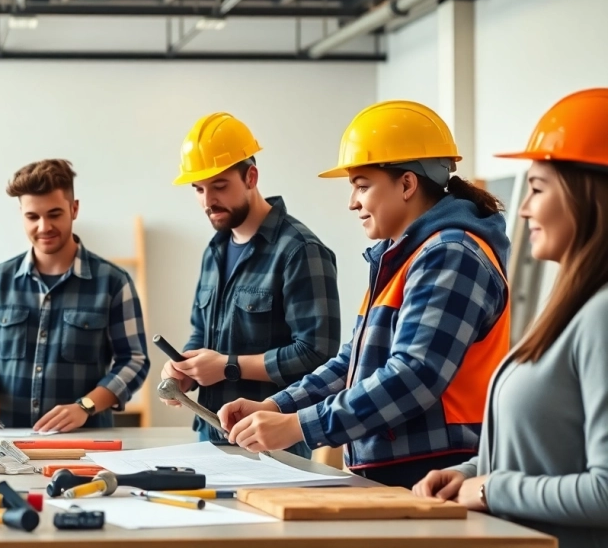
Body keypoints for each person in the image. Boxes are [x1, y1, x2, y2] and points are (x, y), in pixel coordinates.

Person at [219, 100, 512, 489]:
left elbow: (412, 377)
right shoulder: (403, 257)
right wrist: (276, 406)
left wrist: (299, 427)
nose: (352, 202)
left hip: (435, 472)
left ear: (407, 184)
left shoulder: (451, 255)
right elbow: (353, 363)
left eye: (362, 185)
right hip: (400, 469)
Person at [414, 88, 608, 548]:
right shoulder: (574, 306)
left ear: (589, 197)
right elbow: (549, 455)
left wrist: (487, 488)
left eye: (538, 189)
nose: (522, 208)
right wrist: (465, 474)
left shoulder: (602, 315)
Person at [159, 112, 341, 456]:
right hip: (209, 431)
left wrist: (228, 366)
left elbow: (318, 354)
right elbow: (202, 334)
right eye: (198, 189)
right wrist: (186, 370)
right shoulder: (215, 249)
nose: (207, 201)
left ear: (251, 177)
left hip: (273, 439)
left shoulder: (301, 250)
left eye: (219, 186)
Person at [0, 159, 149, 433]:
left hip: (86, 443)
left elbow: (134, 360)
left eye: (54, 214)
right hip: (7, 441)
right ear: (21, 214)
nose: (44, 227)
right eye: (32, 217)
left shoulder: (113, 283)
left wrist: (85, 406)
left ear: (74, 209)